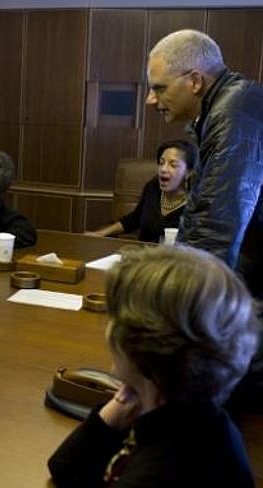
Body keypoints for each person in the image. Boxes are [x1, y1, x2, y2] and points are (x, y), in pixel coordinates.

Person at [48, 245, 259, 487]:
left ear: (139, 345)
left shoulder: (167, 468)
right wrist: (118, 406)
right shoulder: (186, 414)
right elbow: (64, 468)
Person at [146, 29, 263, 297]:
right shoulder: (229, 106)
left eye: (159, 88)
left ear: (195, 81)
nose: (150, 100)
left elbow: (215, 226)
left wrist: (178, 295)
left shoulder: (233, 114)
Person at [86, 140, 197, 242]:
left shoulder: (196, 203)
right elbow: (135, 218)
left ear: (188, 172)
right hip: (142, 256)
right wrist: (100, 233)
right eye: (161, 163)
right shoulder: (153, 188)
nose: (163, 169)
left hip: (175, 260)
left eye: (173, 165)